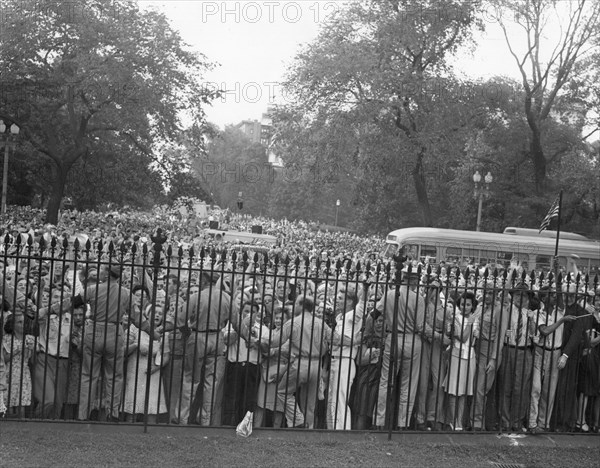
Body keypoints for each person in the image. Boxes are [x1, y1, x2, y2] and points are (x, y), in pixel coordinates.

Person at [374, 265, 426, 430]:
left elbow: (373, 314)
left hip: (393, 337)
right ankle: (402, 423)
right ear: (413, 279)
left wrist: (378, 331)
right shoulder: (417, 298)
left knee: (385, 381)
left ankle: (379, 421)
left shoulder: (389, 294)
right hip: (411, 340)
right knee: (408, 384)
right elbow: (420, 326)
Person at [175, 272, 230, 426]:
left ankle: (182, 417)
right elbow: (236, 321)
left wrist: (188, 334)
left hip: (198, 335)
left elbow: (180, 320)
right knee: (210, 381)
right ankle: (205, 420)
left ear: (204, 280)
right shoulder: (226, 297)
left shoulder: (196, 297)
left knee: (190, 378)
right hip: (217, 336)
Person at [77, 264, 131, 421]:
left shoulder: (93, 289)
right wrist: (152, 332)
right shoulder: (126, 293)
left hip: (95, 329)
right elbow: (137, 316)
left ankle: (82, 415)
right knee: (114, 376)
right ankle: (112, 414)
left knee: (88, 375)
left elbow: (72, 302)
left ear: (107, 275)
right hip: (115, 331)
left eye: (102, 271)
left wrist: (49, 310)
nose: (99, 273)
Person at [270, 296, 328, 428]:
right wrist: (355, 340)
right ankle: (308, 430)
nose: (294, 306)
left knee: (282, 392)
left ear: (301, 305)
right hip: (316, 364)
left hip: (300, 363)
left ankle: (299, 421)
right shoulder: (321, 323)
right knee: (310, 404)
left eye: (296, 303)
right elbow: (332, 341)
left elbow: (274, 342)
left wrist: (258, 339)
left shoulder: (293, 323)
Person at [528, 285, 575, 434]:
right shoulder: (537, 314)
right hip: (540, 352)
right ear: (543, 298)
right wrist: (561, 321)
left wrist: (556, 271)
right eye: (552, 295)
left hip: (555, 353)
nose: (555, 297)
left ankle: (543, 424)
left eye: (555, 294)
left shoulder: (560, 310)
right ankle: (532, 423)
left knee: (550, 390)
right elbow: (545, 331)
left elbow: (561, 292)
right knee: (536, 388)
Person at [325, 285, 364, 430]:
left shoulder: (352, 315)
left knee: (340, 399)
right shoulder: (339, 317)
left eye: (341, 298)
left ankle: (343, 431)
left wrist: (364, 291)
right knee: (333, 398)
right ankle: (333, 429)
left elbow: (360, 309)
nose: (337, 300)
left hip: (345, 361)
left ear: (349, 302)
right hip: (335, 360)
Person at [444, 292, 478, 431]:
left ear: (472, 306)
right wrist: (469, 324)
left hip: (469, 357)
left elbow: (469, 337)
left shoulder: (475, 320)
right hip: (456, 355)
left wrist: (471, 324)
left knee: (463, 392)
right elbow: (462, 337)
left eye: (468, 305)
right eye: (463, 304)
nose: (465, 307)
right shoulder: (454, 318)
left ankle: (459, 422)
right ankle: (452, 421)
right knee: (453, 390)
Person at [350, 309, 385, 430]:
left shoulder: (390, 339)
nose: (379, 323)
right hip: (367, 377)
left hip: (382, 379)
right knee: (362, 410)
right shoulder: (367, 339)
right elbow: (359, 361)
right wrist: (371, 357)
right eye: (377, 321)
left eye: (381, 321)